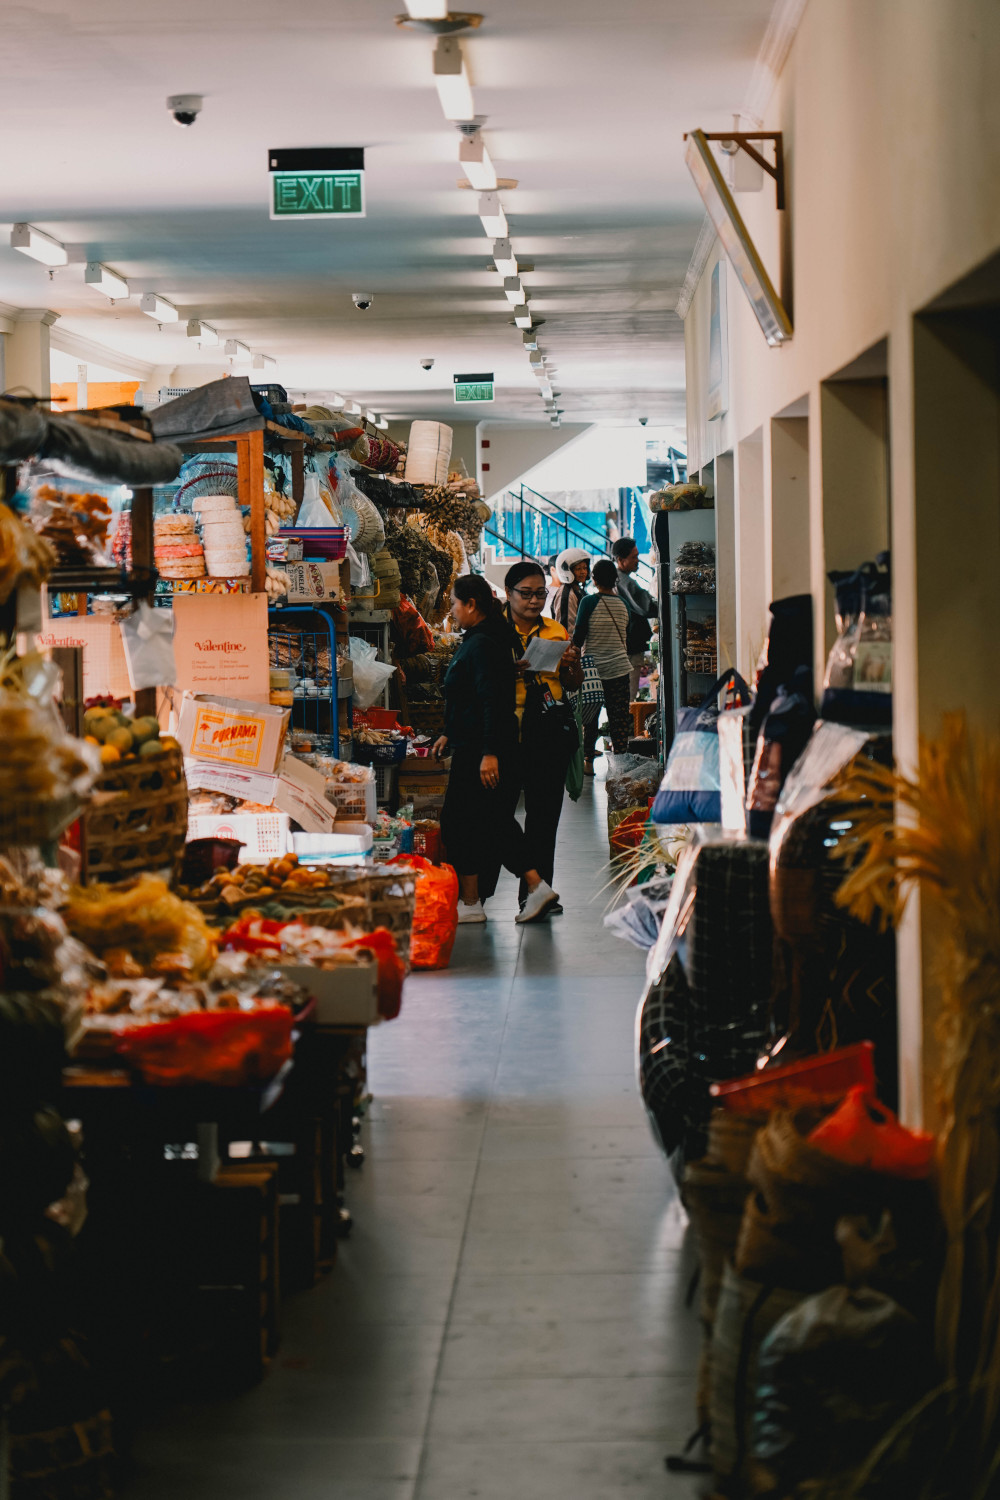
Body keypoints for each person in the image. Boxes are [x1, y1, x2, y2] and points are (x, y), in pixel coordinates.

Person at [433, 575, 558, 925]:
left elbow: (492, 701)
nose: (453, 610)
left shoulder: (485, 642)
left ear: (471, 604)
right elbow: (472, 694)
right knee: (472, 822)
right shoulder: (486, 638)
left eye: (455, 603)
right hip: (475, 743)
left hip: (484, 749)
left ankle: (531, 887)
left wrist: (489, 752)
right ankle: (473, 902)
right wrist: (449, 733)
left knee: (481, 822)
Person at [477, 559, 583, 922]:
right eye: (526, 594)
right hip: (505, 733)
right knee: (496, 814)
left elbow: (571, 685)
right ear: (508, 594)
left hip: (546, 733)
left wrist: (571, 665)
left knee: (544, 818)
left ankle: (537, 896)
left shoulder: (554, 630)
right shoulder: (492, 631)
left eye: (540, 594)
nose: (535, 601)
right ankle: (482, 896)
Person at [573, 558, 633, 769]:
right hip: (619, 668)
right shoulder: (623, 605)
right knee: (619, 718)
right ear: (615, 579)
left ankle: (588, 761)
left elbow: (578, 636)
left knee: (590, 716)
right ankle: (620, 764)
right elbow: (629, 634)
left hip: (593, 671)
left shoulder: (588, 602)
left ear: (594, 579)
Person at [612, 536, 658, 700]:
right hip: (629, 647)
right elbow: (647, 607)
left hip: (627, 646)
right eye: (634, 557)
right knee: (629, 695)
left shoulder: (620, 580)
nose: (637, 561)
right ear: (620, 560)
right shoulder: (624, 582)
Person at [550, 547, 591, 634]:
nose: (583, 572)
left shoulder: (578, 590)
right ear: (567, 570)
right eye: (578, 569)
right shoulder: (566, 594)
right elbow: (566, 629)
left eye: (585, 568)